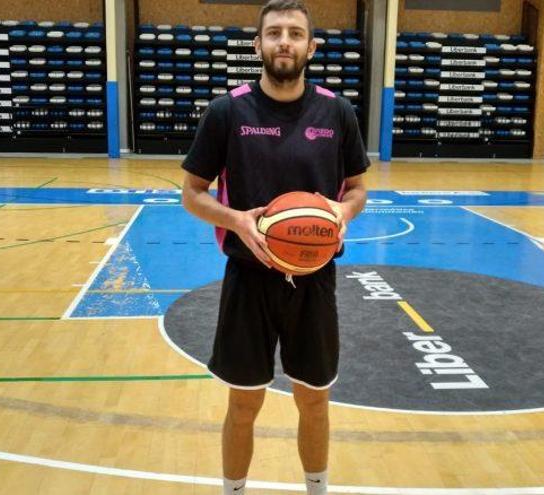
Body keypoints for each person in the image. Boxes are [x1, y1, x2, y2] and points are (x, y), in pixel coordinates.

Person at [180, 1, 369, 493]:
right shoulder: (227, 111)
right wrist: (236, 220)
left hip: (315, 280)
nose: (284, 41)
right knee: (243, 403)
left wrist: (342, 215)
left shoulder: (337, 111)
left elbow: (358, 188)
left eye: (295, 33)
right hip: (248, 279)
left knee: (314, 400)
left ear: (312, 46)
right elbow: (192, 193)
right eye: (274, 33)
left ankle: (317, 488)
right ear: (257, 44)